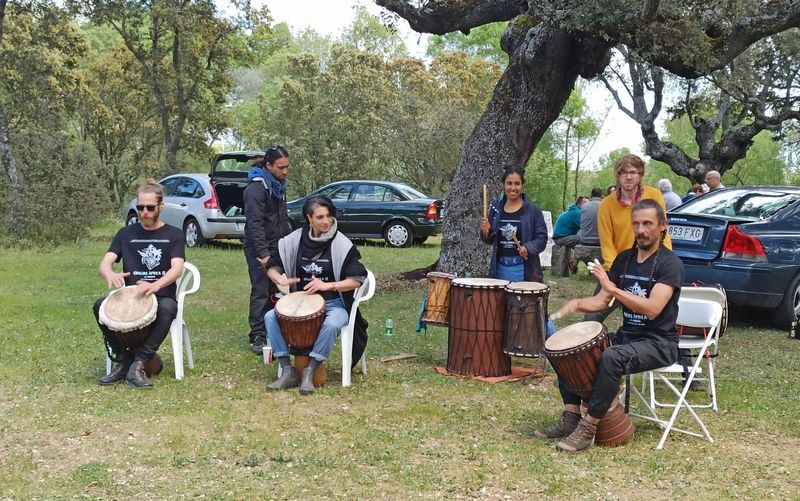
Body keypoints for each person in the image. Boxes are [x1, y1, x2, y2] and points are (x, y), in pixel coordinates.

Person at [536, 199, 683, 452]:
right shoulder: (625, 259)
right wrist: (577, 304)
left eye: (648, 223)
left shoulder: (670, 264)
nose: (641, 230)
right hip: (629, 337)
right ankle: (571, 417)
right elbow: (602, 301)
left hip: (659, 343)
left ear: (662, 226)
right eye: (636, 224)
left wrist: (613, 289)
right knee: (567, 349)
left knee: (612, 357)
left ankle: (588, 428)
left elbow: (652, 308)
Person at [264, 196, 368, 395]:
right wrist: (280, 280)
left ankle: (310, 371)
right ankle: (287, 369)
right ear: (309, 218)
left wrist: (328, 285)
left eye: (328, 216)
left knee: (332, 324)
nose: (326, 221)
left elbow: (357, 279)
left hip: (334, 302)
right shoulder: (294, 240)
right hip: (301, 301)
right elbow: (272, 267)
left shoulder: (342, 244)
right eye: (320, 217)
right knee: (270, 317)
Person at [93, 179, 185, 388]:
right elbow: (105, 263)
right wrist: (109, 273)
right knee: (99, 306)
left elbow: (177, 268)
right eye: (140, 207)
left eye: (150, 208)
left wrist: (156, 285)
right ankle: (123, 359)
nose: (144, 212)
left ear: (161, 206)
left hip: (161, 296)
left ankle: (139, 364)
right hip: (132, 298)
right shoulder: (125, 234)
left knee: (168, 308)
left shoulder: (174, 234)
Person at [588, 154, 671, 322]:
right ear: (618, 175)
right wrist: (617, 272)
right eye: (623, 172)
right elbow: (607, 244)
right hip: (618, 268)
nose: (628, 177)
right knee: (591, 318)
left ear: (640, 175)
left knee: (653, 318)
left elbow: (662, 232)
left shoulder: (654, 195)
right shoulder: (606, 205)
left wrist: (666, 261)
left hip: (651, 266)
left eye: (633, 172)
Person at [243, 145, 293, 355]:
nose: (285, 171)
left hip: (278, 244)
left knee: (278, 288)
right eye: (280, 167)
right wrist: (263, 254)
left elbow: (281, 218)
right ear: (268, 165)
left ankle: (277, 329)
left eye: (287, 167)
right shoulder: (256, 188)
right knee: (261, 289)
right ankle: (258, 334)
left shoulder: (278, 185)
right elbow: (254, 224)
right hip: (258, 246)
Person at [479, 165, 549, 282]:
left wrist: (527, 248)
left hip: (523, 270)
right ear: (503, 185)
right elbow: (489, 240)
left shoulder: (533, 210)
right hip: (499, 269)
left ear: (522, 185)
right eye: (509, 183)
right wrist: (485, 232)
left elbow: (541, 239)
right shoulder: (496, 209)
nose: (513, 187)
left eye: (517, 184)